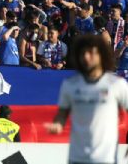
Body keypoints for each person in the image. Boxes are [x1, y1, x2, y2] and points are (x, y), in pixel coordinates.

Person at [46, 35, 128, 164]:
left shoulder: (117, 84)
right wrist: (57, 124)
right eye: (83, 53)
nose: (86, 57)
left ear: (101, 55)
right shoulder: (70, 85)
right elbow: (62, 114)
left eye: (91, 53)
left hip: (106, 158)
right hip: (77, 158)